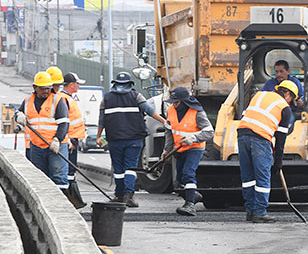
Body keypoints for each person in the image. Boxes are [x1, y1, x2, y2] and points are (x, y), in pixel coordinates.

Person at [96, 71, 167, 207]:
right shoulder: (136, 96)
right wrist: (163, 121)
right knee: (130, 167)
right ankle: (129, 196)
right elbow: (149, 111)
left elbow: (101, 120)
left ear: (115, 84)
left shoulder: (107, 99)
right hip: (133, 140)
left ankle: (119, 195)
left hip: (114, 140)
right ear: (130, 84)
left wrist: (99, 136)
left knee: (118, 168)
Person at [237, 80, 297, 223]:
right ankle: (260, 213)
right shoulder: (284, 108)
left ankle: (250, 211)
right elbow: (281, 138)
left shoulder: (258, 95)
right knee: (262, 177)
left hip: (242, 135)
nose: (291, 103)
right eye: (292, 99)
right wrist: (279, 160)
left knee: (248, 178)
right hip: (260, 139)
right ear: (287, 94)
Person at [14, 71, 72, 201]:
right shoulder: (28, 100)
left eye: (48, 88)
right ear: (35, 88)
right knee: (40, 178)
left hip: (56, 145)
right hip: (37, 146)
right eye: (43, 88)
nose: (46, 91)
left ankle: (59, 203)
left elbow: (64, 124)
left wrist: (57, 140)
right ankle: (44, 202)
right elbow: (18, 113)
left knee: (58, 176)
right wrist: (18, 116)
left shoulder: (58, 100)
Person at [164, 87, 214, 217]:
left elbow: (209, 132)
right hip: (179, 148)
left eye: (177, 102)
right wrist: (166, 149)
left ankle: (190, 205)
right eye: (173, 102)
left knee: (188, 173)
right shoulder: (171, 110)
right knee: (179, 181)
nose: (174, 104)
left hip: (195, 147)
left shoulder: (197, 112)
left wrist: (193, 138)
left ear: (184, 101)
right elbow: (169, 131)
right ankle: (193, 194)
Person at [58, 72, 88, 209]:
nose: (78, 86)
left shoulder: (67, 98)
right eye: (77, 84)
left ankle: (71, 197)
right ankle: (69, 198)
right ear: (71, 84)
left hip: (72, 139)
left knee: (71, 169)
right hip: (69, 140)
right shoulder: (63, 98)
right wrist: (68, 139)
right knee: (69, 170)